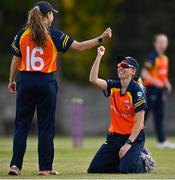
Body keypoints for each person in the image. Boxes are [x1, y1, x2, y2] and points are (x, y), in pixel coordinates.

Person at [8, 1, 112, 176]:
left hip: (25, 81)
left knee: (21, 125)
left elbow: (16, 60)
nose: (53, 16)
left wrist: (12, 80)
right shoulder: (54, 35)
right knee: (46, 126)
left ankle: (15, 166)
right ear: (47, 15)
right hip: (46, 83)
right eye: (52, 14)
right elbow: (79, 47)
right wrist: (101, 38)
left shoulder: (22, 34)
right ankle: (45, 168)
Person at [87, 46, 156, 173]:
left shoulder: (137, 91)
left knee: (127, 169)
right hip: (114, 138)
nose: (120, 67)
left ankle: (144, 159)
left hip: (133, 138)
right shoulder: (114, 86)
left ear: (133, 71)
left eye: (125, 66)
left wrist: (128, 144)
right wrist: (99, 56)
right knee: (94, 169)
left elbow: (140, 122)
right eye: (119, 65)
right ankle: (126, 161)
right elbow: (93, 79)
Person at [141, 34, 175, 149]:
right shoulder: (152, 57)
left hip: (160, 91)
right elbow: (144, 73)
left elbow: (162, 75)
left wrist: (167, 83)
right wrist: (156, 82)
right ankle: (134, 139)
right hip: (150, 90)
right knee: (143, 116)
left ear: (167, 44)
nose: (162, 44)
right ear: (155, 43)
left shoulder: (165, 58)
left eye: (164, 42)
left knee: (159, 116)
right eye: (160, 42)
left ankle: (161, 142)